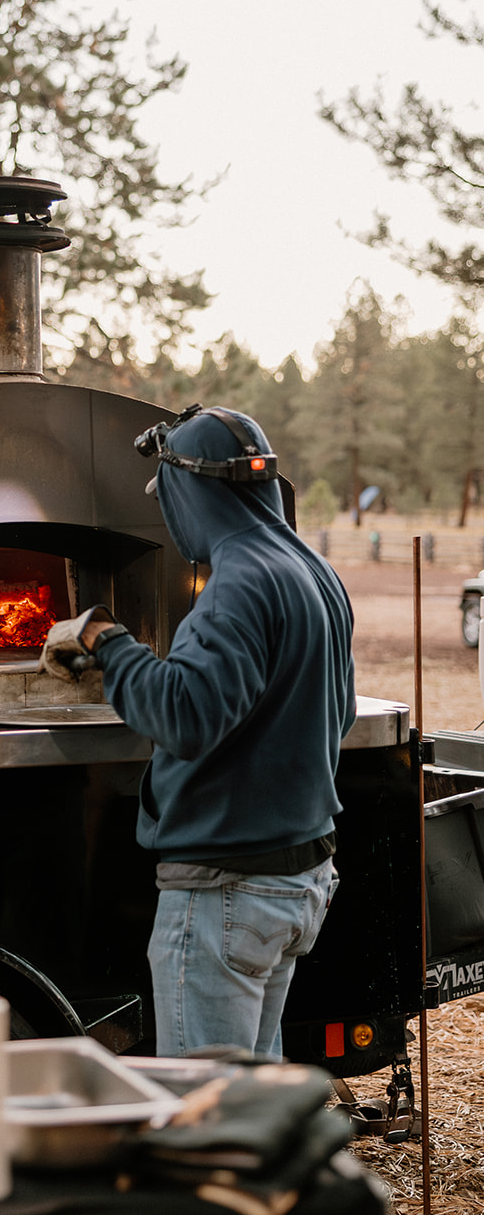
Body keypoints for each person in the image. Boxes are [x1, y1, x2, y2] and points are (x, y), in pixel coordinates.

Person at [41, 403, 356, 1059]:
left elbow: (183, 717)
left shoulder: (239, 582)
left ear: (192, 492)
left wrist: (106, 638)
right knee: (250, 1102)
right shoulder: (313, 571)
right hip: (296, 881)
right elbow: (339, 713)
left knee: (209, 1114)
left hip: (226, 891)